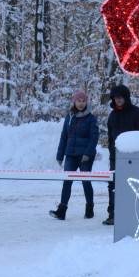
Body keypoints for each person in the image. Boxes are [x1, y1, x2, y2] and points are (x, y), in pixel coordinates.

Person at [50, 91, 100, 220]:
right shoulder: (69, 117)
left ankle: (89, 209)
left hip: (85, 156)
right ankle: (62, 210)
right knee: (67, 181)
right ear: (74, 102)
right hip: (70, 154)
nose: (81, 103)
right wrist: (60, 155)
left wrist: (87, 154)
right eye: (79, 101)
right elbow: (64, 136)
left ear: (86, 102)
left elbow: (94, 138)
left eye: (83, 101)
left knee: (85, 181)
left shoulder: (91, 118)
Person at [103, 84, 139, 226]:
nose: (118, 100)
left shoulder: (137, 113)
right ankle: (112, 214)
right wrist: (111, 153)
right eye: (115, 98)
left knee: (134, 185)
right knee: (113, 184)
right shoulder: (113, 115)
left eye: (120, 97)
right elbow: (110, 136)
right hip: (116, 156)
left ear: (126, 98)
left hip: (135, 157)